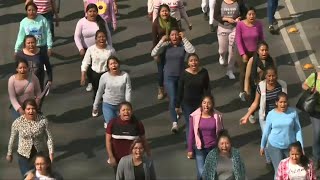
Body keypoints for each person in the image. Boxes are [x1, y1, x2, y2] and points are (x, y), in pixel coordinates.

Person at [240, 67, 286, 168]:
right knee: (268, 139)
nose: (271, 78)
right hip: (265, 117)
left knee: (278, 136)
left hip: (278, 116)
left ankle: (278, 156)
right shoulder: (261, 86)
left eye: (273, 75)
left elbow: (285, 101)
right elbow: (255, 103)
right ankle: (270, 160)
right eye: (269, 76)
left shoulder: (282, 85)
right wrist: (247, 116)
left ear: (276, 75)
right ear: (265, 76)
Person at [151, 29, 195, 133]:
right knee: (173, 98)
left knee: (182, 99)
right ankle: (174, 123)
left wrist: (184, 38)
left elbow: (192, 51)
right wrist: (161, 41)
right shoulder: (166, 46)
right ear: (169, 37)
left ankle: (189, 121)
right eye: (172, 35)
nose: (174, 37)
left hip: (181, 77)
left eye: (176, 35)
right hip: (169, 77)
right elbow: (153, 53)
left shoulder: (182, 46)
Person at [260, 92, 304, 179]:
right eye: (281, 102)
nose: (283, 104)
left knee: (291, 170)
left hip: (290, 147)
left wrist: (301, 147)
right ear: (276, 103)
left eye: (285, 102)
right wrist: (262, 145)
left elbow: (298, 130)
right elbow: (266, 131)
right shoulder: (271, 114)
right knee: (279, 170)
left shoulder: (293, 113)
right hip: (274, 146)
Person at [6, 99, 54, 177]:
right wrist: (9, 153)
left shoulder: (43, 120)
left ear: (36, 109)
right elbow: (12, 138)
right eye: (28, 109)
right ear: (24, 110)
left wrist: (51, 153)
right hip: (23, 155)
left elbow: (48, 137)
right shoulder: (18, 122)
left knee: (39, 176)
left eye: (33, 109)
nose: (31, 111)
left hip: (39, 154)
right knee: (27, 177)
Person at [74, 3, 112, 92]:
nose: (92, 13)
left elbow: (108, 35)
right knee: (89, 67)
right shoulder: (81, 22)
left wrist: (110, 46)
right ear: (86, 12)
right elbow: (77, 36)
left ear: (97, 12)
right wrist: (80, 48)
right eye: (90, 11)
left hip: (100, 48)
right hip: (86, 49)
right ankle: (91, 82)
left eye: (94, 11)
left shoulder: (102, 22)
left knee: (100, 66)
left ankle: (103, 82)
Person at [106, 102, 151, 174]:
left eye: (128, 110)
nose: (126, 112)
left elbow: (144, 140)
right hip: (118, 160)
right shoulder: (112, 123)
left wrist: (149, 155)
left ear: (132, 112)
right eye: (123, 110)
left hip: (133, 160)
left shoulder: (137, 123)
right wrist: (111, 157)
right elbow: (108, 141)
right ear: (119, 112)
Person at [175, 53, 211, 141]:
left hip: (200, 103)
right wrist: (177, 105)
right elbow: (180, 90)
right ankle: (190, 146)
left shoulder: (204, 72)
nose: (193, 63)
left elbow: (207, 88)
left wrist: (208, 102)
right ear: (188, 63)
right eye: (191, 61)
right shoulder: (184, 74)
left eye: (195, 60)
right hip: (187, 104)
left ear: (198, 62)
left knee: (200, 124)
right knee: (190, 124)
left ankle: (200, 143)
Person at [187, 95, 224, 180]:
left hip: (213, 148)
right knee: (202, 172)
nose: (206, 105)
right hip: (200, 149)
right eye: (204, 103)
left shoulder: (217, 116)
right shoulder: (195, 116)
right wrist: (190, 149)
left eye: (209, 103)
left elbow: (222, 133)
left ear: (212, 105)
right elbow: (191, 134)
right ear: (201, 104)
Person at [92, 56, 131, 128]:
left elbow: (128, 91)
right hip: (108, 105)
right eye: (111, 64)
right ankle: (108, 124)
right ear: (108, 67)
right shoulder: (104, 77)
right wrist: (95, 106)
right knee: (111, 125)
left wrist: (128, 105)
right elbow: (100, 91)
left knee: (122, 125)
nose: (113, 65)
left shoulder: (125, 75)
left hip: (121, 105)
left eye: (115, 63)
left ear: (118, 64)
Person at [235, 7, 264, 101]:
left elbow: (261, 38)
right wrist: (243, 54)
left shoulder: (258, 24)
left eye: (253, 14)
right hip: (244, 52)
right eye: (249, 14)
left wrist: (262, 50)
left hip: (255, 52)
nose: (252, 16)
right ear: (246, 15)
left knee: (256, 71)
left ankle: (255, 90)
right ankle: (242, 91)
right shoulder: (240, 25)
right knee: (244, 72)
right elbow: (238, 40)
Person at [152, 4, 180, 100]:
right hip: (161, 49)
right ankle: (161, 89)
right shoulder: (156, 23)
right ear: (159, 13)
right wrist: (155, 53)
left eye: (166, 11)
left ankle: (174, 89)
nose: (164, 13)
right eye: (162, 11)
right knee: (161, 72)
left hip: (172, 48)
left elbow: (178, 33)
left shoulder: (173, 21)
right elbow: (154, 39)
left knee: (174, 69)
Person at [80, 30, 116, 103]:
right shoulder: (91, 49)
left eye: (103, 37)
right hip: (95, 75)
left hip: (106, 74)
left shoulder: (110, 50)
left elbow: (115, 62)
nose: (101, 39)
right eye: (99, 37)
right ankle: (95, 106)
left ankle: (107, 107)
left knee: (107, 92)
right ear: (96, 39)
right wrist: (83, 76)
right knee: (97, 92)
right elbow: (85, 62)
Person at [214, 0, 246, 79]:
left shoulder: (239, 2)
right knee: (222, 50)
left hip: (235, 29)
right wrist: (226, 19)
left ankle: (230, 70)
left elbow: (244, 13)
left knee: (232, 50)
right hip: (223, 28)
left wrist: (240, 18)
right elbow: (215, 16)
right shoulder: (219, 2)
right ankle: (222, 56)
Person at [302, 72, 320, 169]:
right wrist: (311, 89)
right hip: (315, 111)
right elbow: (304, 85)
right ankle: (316, 158)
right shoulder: (315, 76)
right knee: (317, 134)